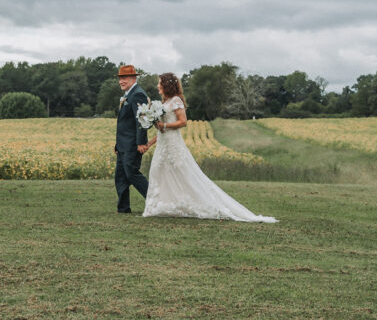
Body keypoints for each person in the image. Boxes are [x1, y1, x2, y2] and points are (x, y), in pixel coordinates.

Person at [142, 72, 276, 223]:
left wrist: (164, 125)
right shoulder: (163, 103)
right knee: (158, 171)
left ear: (166, 85)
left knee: (183, 174)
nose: (157, 86)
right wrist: (150, 141)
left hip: (173, 144)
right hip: (163, 144)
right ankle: (161, 206)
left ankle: (192, 204)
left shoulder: (176, 101)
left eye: (159, 83)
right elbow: (160, 130)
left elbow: (183, 122)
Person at [114, 64, 149, 213]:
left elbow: (141, 121)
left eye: (125, 78)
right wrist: (117, 144)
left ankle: (154, 201)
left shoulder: (137, 94)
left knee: (132, 173)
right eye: (120, 78)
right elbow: (124, 123)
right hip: (123, 144)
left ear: (133, 78)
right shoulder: (128, 94)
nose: (121, 81)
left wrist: (141, 142)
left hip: (132, 144)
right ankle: (123, 208)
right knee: (120, 176)